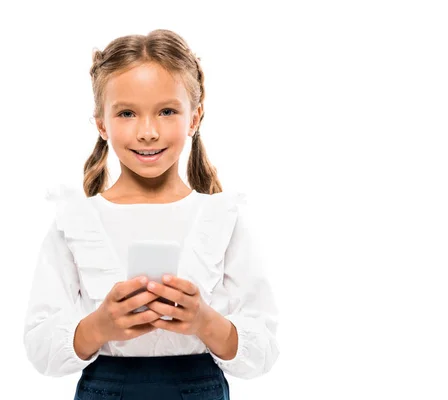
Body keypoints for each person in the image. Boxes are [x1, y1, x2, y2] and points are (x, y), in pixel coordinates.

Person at [23, 28, 280, 399]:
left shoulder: (222, 218)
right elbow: (39, 344)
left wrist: (204, 322)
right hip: (106, 388)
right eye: (127, 113)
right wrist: (99, 326)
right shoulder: (77, 221)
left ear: (194, 118)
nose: (147, 132)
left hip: (197, 388)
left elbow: (264, 347)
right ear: (101, 123)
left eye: (167, 111)